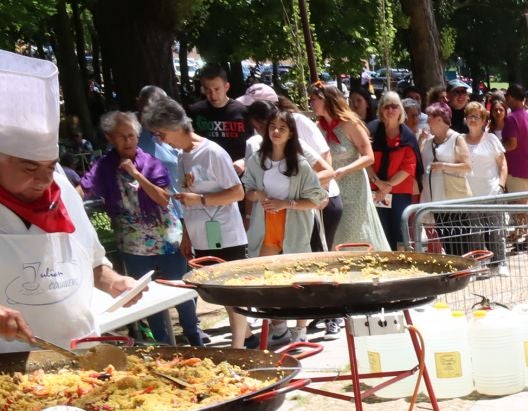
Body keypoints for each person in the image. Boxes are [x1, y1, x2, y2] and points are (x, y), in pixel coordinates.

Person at [0, 53, 141, 359]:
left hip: (83, 354)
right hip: (11, 368)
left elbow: (92, 263)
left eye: (50, 166)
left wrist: (115, 282)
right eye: (28, 168)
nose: (43, 180)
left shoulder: (61, 186)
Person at [81, 111, 201, 345]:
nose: (128, 141)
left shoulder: (150, 162)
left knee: (182, 290)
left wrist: (135, 173)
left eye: (132, 136)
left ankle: (195, 336)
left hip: (166, 237)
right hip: (132, 243)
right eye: (122, 137)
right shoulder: (104, 167)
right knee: (145, 297)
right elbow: (84, 188)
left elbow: (163, 199)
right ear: (110, 138)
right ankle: (163, 346)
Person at [140, 95, 249, 345]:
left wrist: (199, 199)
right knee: (219, 292)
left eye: (160, 133)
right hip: (201, 235)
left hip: (225, 234)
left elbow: (237, 192)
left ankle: (238, 347)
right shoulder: (182, 156)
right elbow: (186, 199)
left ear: (176, 127)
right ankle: (246, 337)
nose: (158, 139)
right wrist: (187, 235)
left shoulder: (212, 152)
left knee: (231, 292)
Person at [241, 106, 327, 346]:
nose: (276, 131)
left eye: (282, 128)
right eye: (272, 127)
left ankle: (300, 330)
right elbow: (246, 190)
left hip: (294, 225)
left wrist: (285, 203)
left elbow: (316, 199)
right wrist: (256, 194)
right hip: (266, 225)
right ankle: (278, 326)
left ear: (291, 134)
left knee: (297, 279)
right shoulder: (257, 160)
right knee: (266, 278)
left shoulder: (300, 164)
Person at [309, 84, 388, 250]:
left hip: (354, 186)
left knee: (354, 229)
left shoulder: (350, 124)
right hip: (331, 188)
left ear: (326, 100)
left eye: (314, 100)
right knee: (335, 232)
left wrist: (344, 170)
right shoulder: (316, 128)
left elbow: (369, 157)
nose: (311, 103)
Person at [367, 91, 421, 250]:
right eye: (386, 106)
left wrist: (388, 185)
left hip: (400, 192)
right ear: (381, 109)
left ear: (401, 110)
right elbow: (365, 159)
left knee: (400, 234)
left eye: (395, 106)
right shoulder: (371, 131)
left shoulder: (408, 136)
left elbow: (408, 167)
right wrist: (378, 183)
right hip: (375, 191)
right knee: (380, 232)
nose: (390, 110)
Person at [463, 100, 509, 274]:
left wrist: (501, 185)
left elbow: (503, 164)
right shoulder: (460, 140)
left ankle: (500, 263)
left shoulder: (491, 139)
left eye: (476, 116)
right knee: (476, 232)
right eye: (469, 116)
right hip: (470, 195)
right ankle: (480, 265)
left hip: (492, 192)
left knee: (497, 230)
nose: (472, 120)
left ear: (484, 120)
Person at [421, 104, 473, 253]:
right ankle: (454, 272)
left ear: (439, 119)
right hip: (436, 200)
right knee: (446, 241)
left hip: (454, 199)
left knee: (460, 240)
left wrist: (444, 166)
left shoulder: (457, 138)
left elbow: (467, 166)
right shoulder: (429, 141)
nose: (427, 122)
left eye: (429, 118)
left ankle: (464, 271)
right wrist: (421, 140)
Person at [188, 64, 250, 163]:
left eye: (217, 89)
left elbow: (253, 145)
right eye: (208, 90)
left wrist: (243, 161)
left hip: (236, 170)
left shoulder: (243, 111)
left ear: (226, 87)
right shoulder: (194, 112)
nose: (213, 95)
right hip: (206, 169)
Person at [499, 86, 528, 247]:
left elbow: (511, 144)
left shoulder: (511, 118)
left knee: (522, 205)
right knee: (527, 203)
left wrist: (497, 145)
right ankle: (527, 234)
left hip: (515, 167)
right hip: (527, 165)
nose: (505, 100)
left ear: (512, 98)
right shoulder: (527, 116)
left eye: (507, 97)